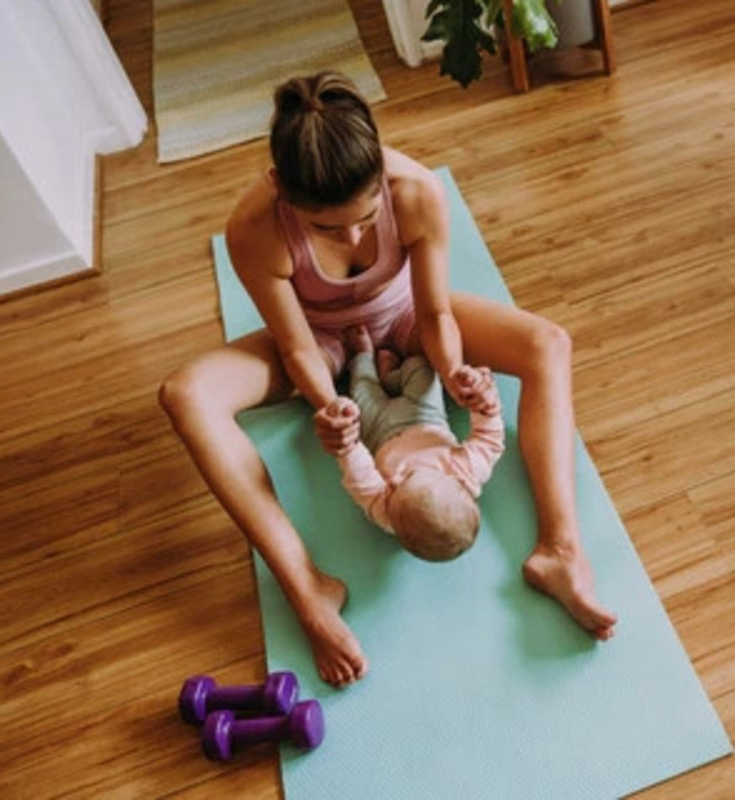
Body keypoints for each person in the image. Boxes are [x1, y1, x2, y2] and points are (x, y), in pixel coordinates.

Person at [158, 71, 617, 688]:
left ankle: (560, 551)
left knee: (548, 343)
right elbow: (295, 346)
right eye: (327, 228)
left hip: (406, 320)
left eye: (365, 218)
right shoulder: (255, 227)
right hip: (319, 343)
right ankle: (307, 589)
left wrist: (454, 373)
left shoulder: (417, 189)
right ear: (282, 190)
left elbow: (435, 313)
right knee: (185, 395)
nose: (352, 237)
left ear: (380, 172)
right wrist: (330, 406)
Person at [335, 324, 503, 562]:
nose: (393, 480)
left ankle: (363, 354)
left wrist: (349, 446)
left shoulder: (388, 516)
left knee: (361, 389)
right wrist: (484, 404)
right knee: (422, 368)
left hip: (377, 431)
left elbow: (360, 480)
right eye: (407, 477)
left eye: (393, 491)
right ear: (454, 481)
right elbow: (489, 439)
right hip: (425, 415)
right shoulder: (468, 471)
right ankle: (391, 376)